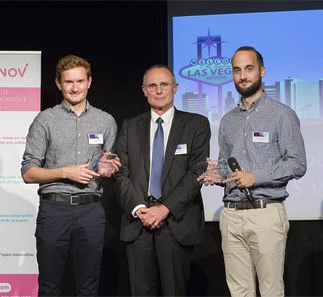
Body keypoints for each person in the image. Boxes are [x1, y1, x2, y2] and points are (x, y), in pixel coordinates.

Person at [202, 46, 307, 297]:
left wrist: (255, 176)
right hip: (231, 215)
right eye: (237, 70)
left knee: (271, 291)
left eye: (249, 69)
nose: (243, 76)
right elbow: (227, 163)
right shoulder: (228, 120)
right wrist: (218, 175)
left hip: (266, 213)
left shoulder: (282, 115)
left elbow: (297, 163)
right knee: (239, 292)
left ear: (262, 71)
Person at [21, 54, 120, 297]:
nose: (75, 88)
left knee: (88, 288)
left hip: (91, 210)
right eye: (68, 82)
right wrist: (66, 172)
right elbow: (28, 172)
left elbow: (108, 167)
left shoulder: (105, 120)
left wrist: (111, 168)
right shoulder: (45, 119)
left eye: (79, 81)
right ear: (58, 84)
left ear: (89, 82)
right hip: (54, 210)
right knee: (50, 286)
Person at [114, 65, 211, 296]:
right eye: (152, 86)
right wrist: (140, 209)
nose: (159, 91)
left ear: (175, 88)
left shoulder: (196, 124)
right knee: (140, 291)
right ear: (144, 90)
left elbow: (197, 171)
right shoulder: (130, 126)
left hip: (175, 220)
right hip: (138, 220)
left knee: (174, 291)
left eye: (164, 85)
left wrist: (165, 208)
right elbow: (120, 172)